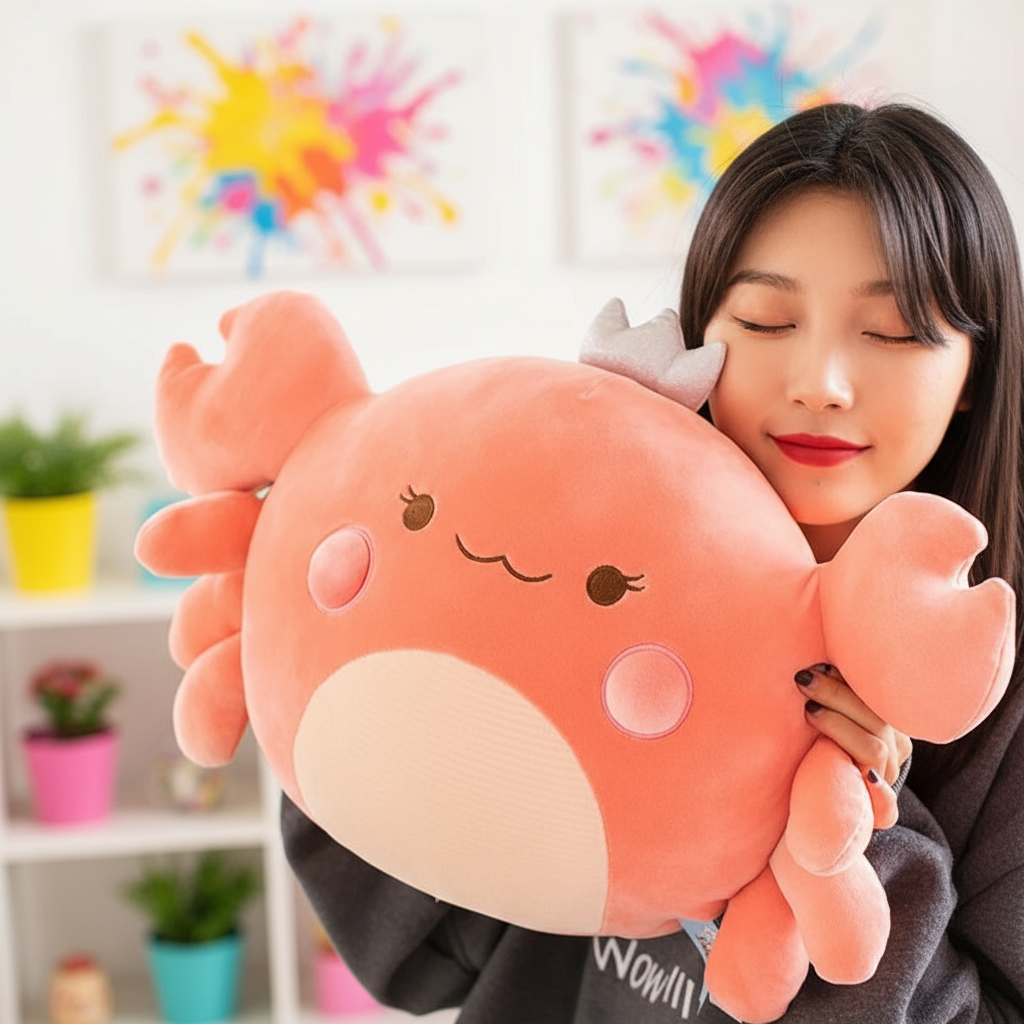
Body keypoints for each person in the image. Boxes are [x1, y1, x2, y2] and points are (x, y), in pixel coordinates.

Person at [281, 102, 1024, 1022]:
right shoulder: (594, 569)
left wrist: (856, 846)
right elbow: (431, 955)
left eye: (894, 333)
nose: (820, 382)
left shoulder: (1001, 710)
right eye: (765, 318)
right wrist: (342, 663)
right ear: (704, 332)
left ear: (973, 375)